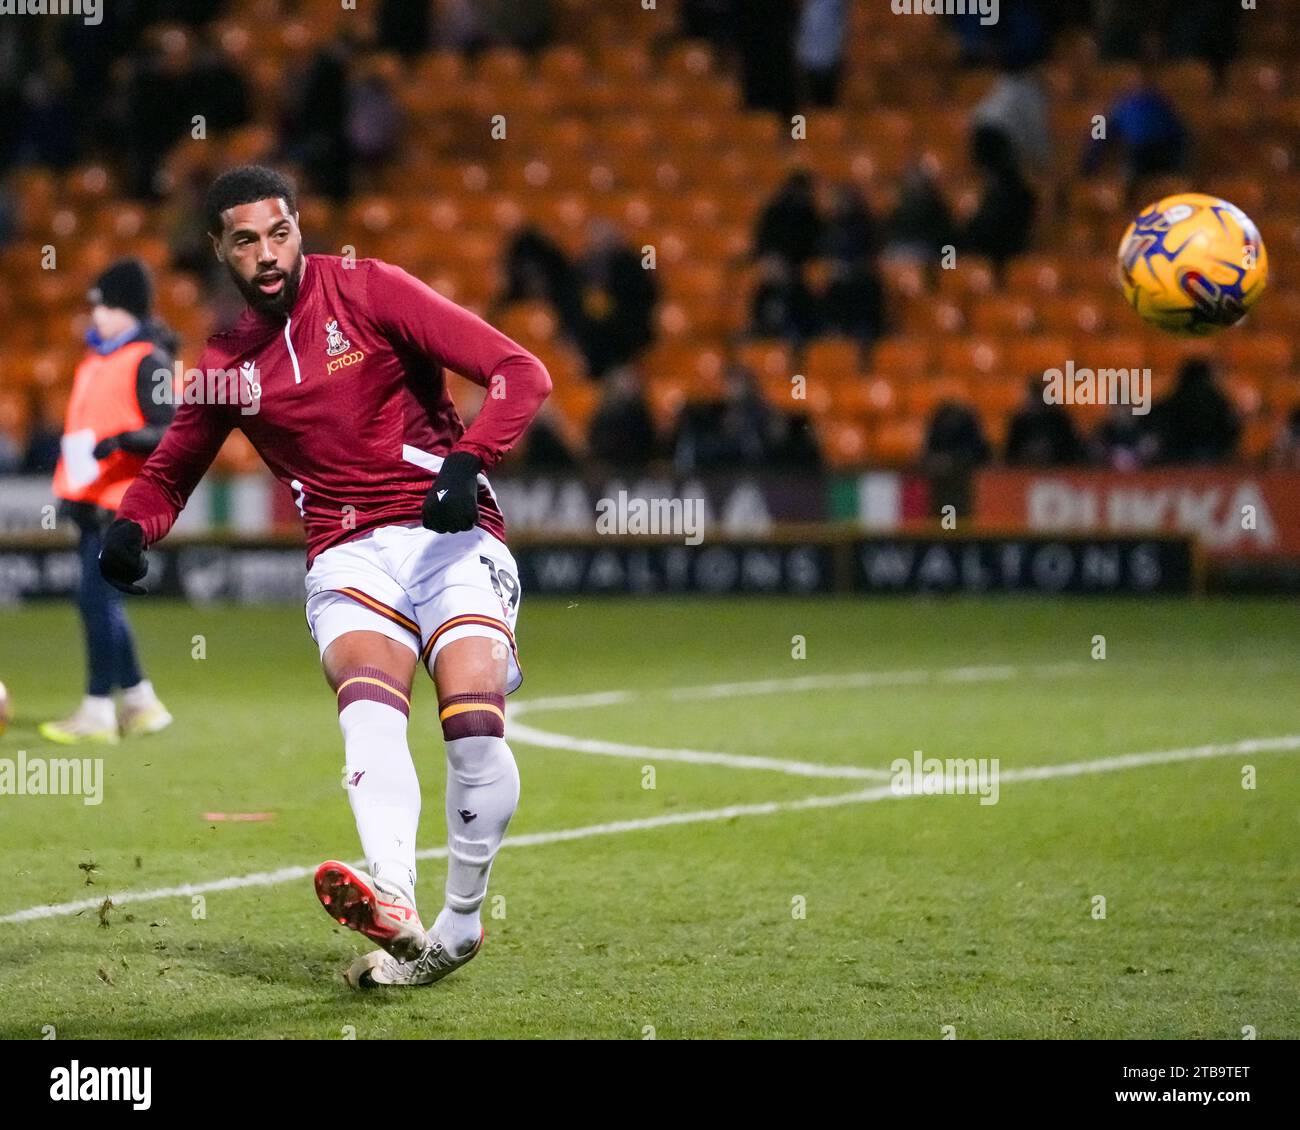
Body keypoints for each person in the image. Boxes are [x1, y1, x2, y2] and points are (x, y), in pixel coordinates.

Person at [100, 166, 552, 989]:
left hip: (446, 534)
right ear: (218, 250)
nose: (268, 255)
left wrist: (468, 459)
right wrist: (131, 529)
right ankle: (393, 894)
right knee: (369, 710)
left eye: (279, 233)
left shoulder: (371, 289)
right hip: (346, 554)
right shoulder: (227, 362)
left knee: (474, 725)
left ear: (300, 229)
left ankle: (457, 924)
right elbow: (168, 477)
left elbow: (521, 371)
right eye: (246, 241)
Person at [39, 259, 177, 745]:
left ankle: (99, 708)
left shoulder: (148, 359)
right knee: (99, 603)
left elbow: (170, 430)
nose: (96, 315)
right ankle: (140, 700)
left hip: (122, 505)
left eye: (106, 305)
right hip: (92, 502)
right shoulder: (96, 359)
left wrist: (122, 440)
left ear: (128, 309)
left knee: (95, 600)